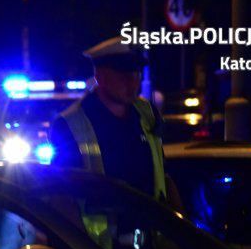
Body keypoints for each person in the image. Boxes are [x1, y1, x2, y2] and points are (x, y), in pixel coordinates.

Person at [50, 37, 176, 204]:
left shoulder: (147, 112)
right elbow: (61, 195)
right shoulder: (69, 124)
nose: (133, 84)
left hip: (152, 228)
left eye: (136, 75)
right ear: (100, 77)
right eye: (124, 78)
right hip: (100, 230)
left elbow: (164, 176)